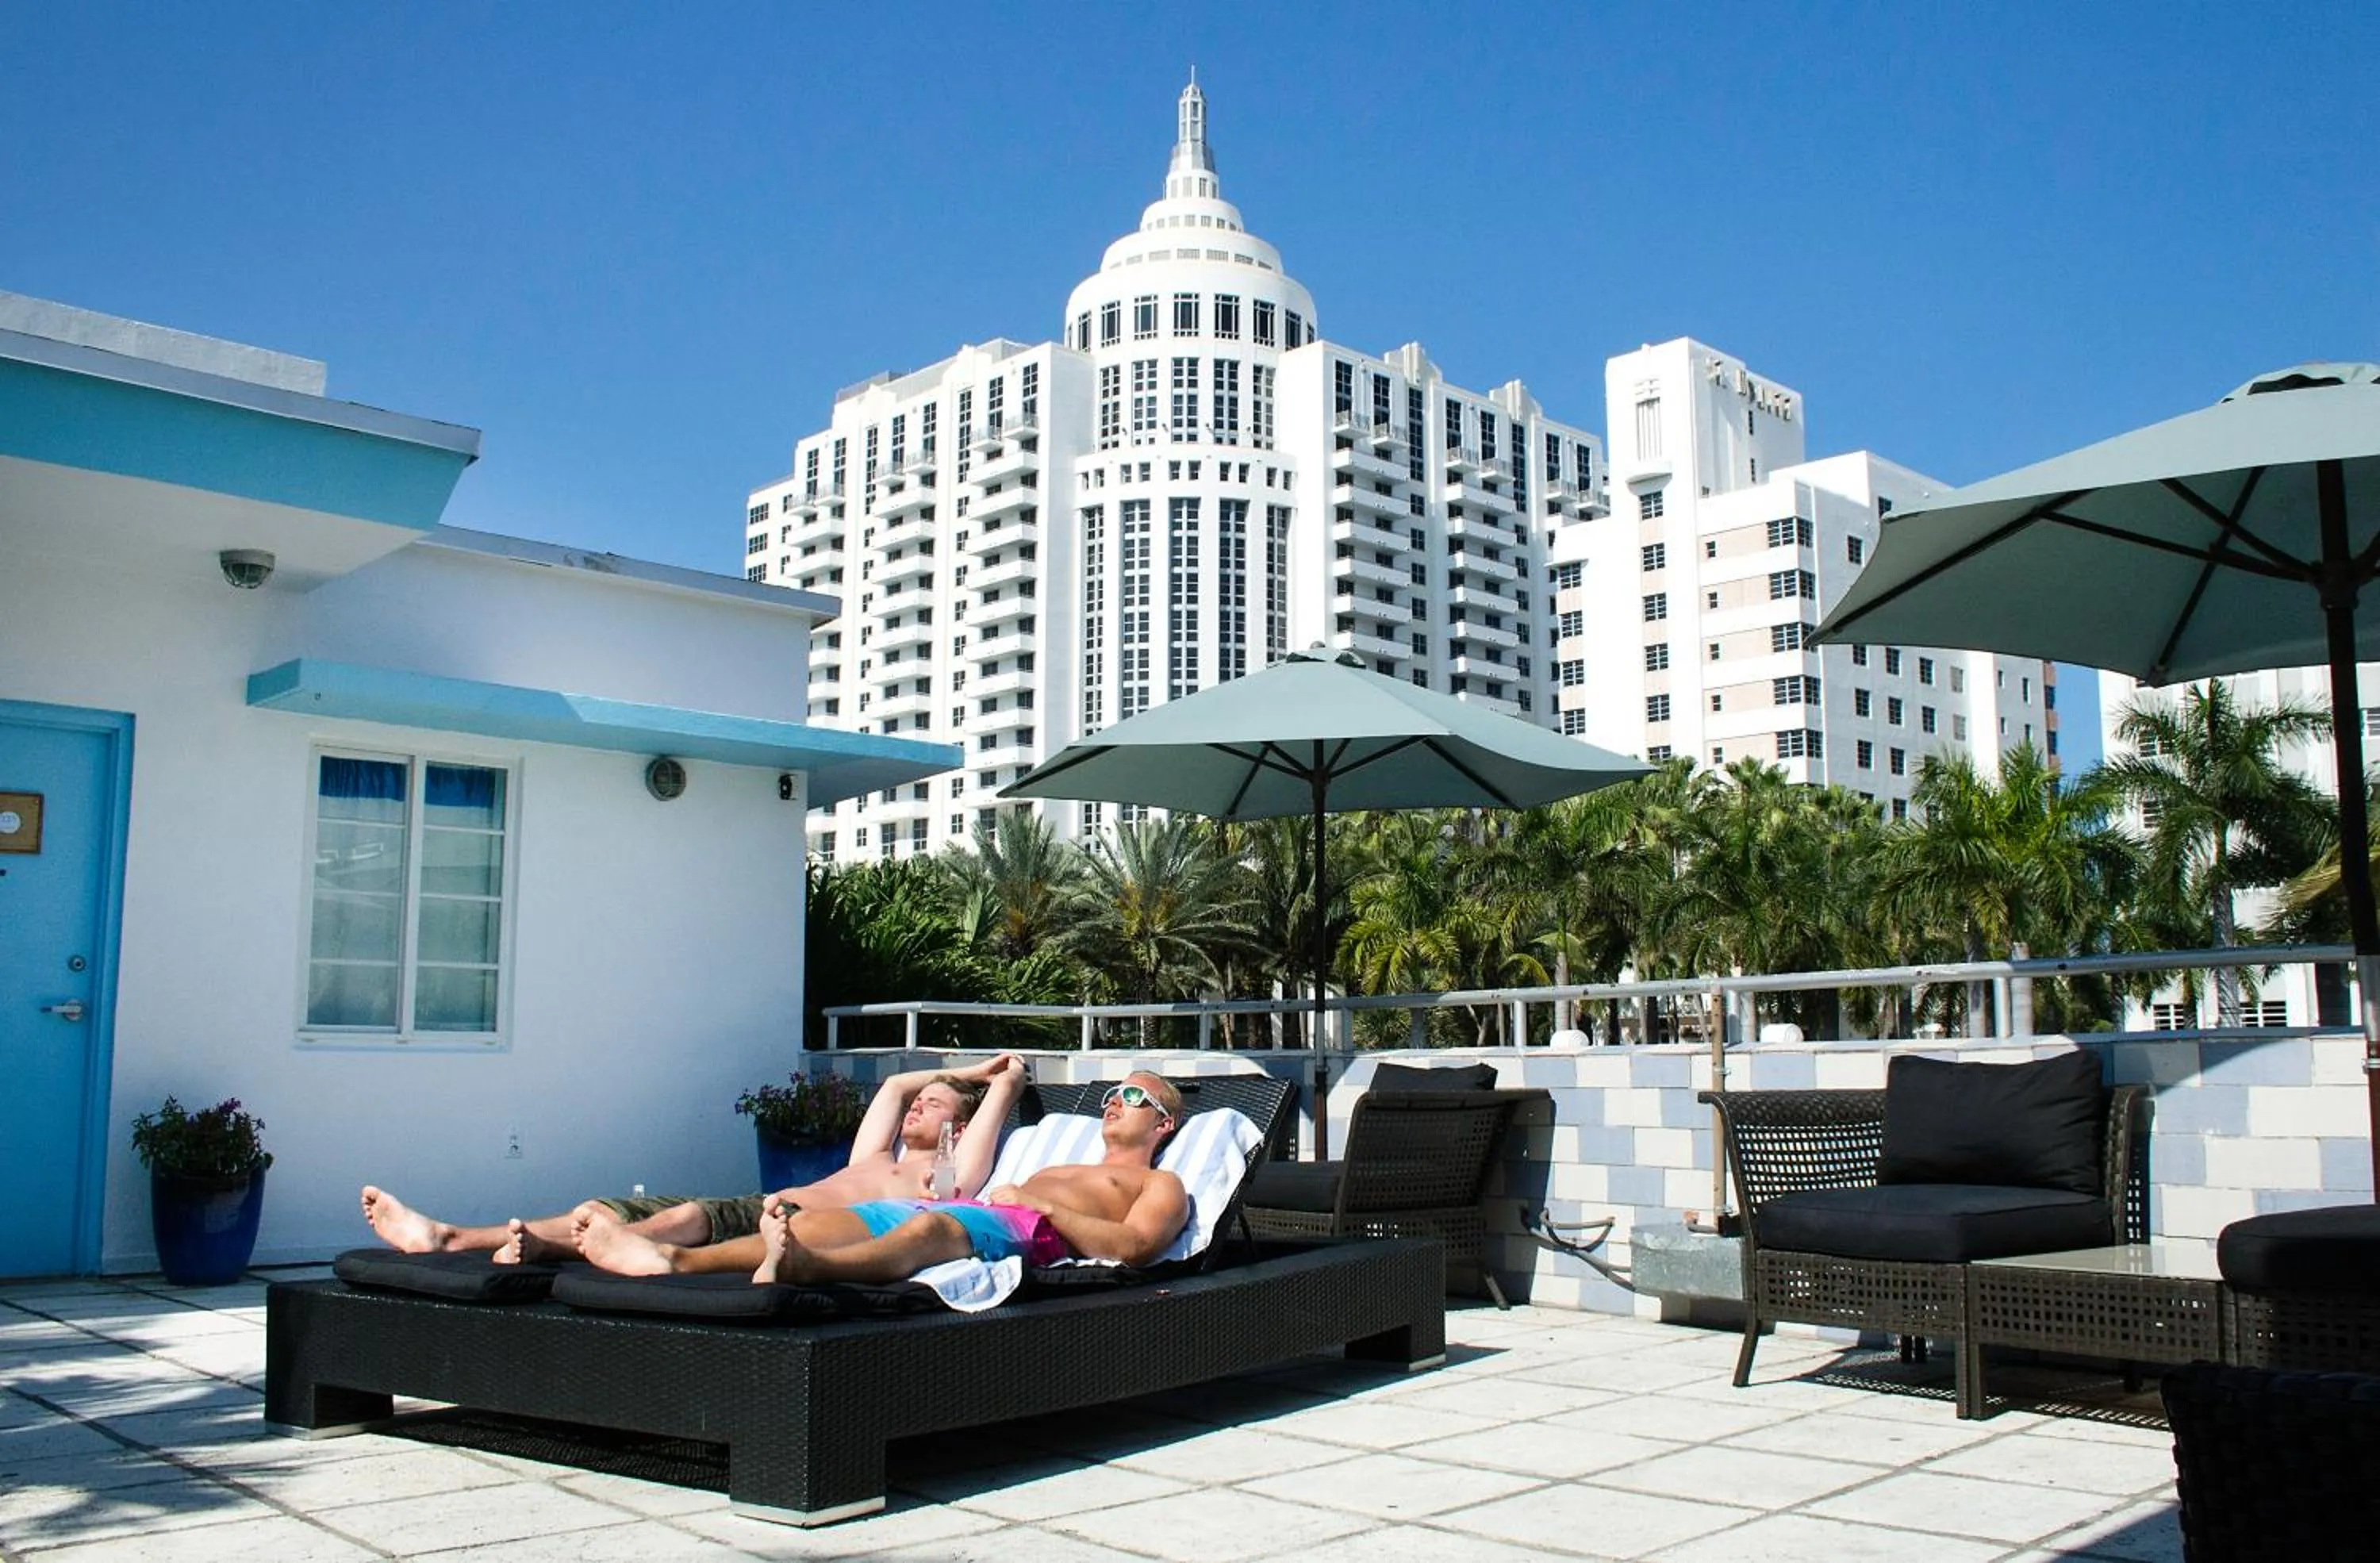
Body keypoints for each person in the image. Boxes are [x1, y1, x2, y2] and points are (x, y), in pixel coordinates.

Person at [359, 1054, 1027, 1264]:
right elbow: (894, 1085)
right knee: (603, 1208)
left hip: (782, 1220)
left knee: (683, 1218)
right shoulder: (874, 1153)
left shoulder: (938, 1175)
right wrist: (961, 1070)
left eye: (934, 1105)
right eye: (922, 1101)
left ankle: (546, 1250)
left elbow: (983, 1126)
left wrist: (1006, 1079)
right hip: (750, 1207)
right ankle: (451, 1237)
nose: (917, 1106)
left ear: (959, 1125)